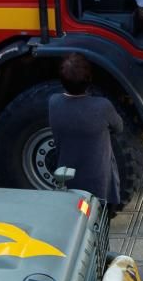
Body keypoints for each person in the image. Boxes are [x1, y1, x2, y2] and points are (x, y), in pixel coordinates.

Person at [48, 54, 124, 213]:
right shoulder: (102, 106)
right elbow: (119, 128)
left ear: (62, 81)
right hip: (99, 184)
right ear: (89, 80)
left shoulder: (53, 102)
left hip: (69, 181)